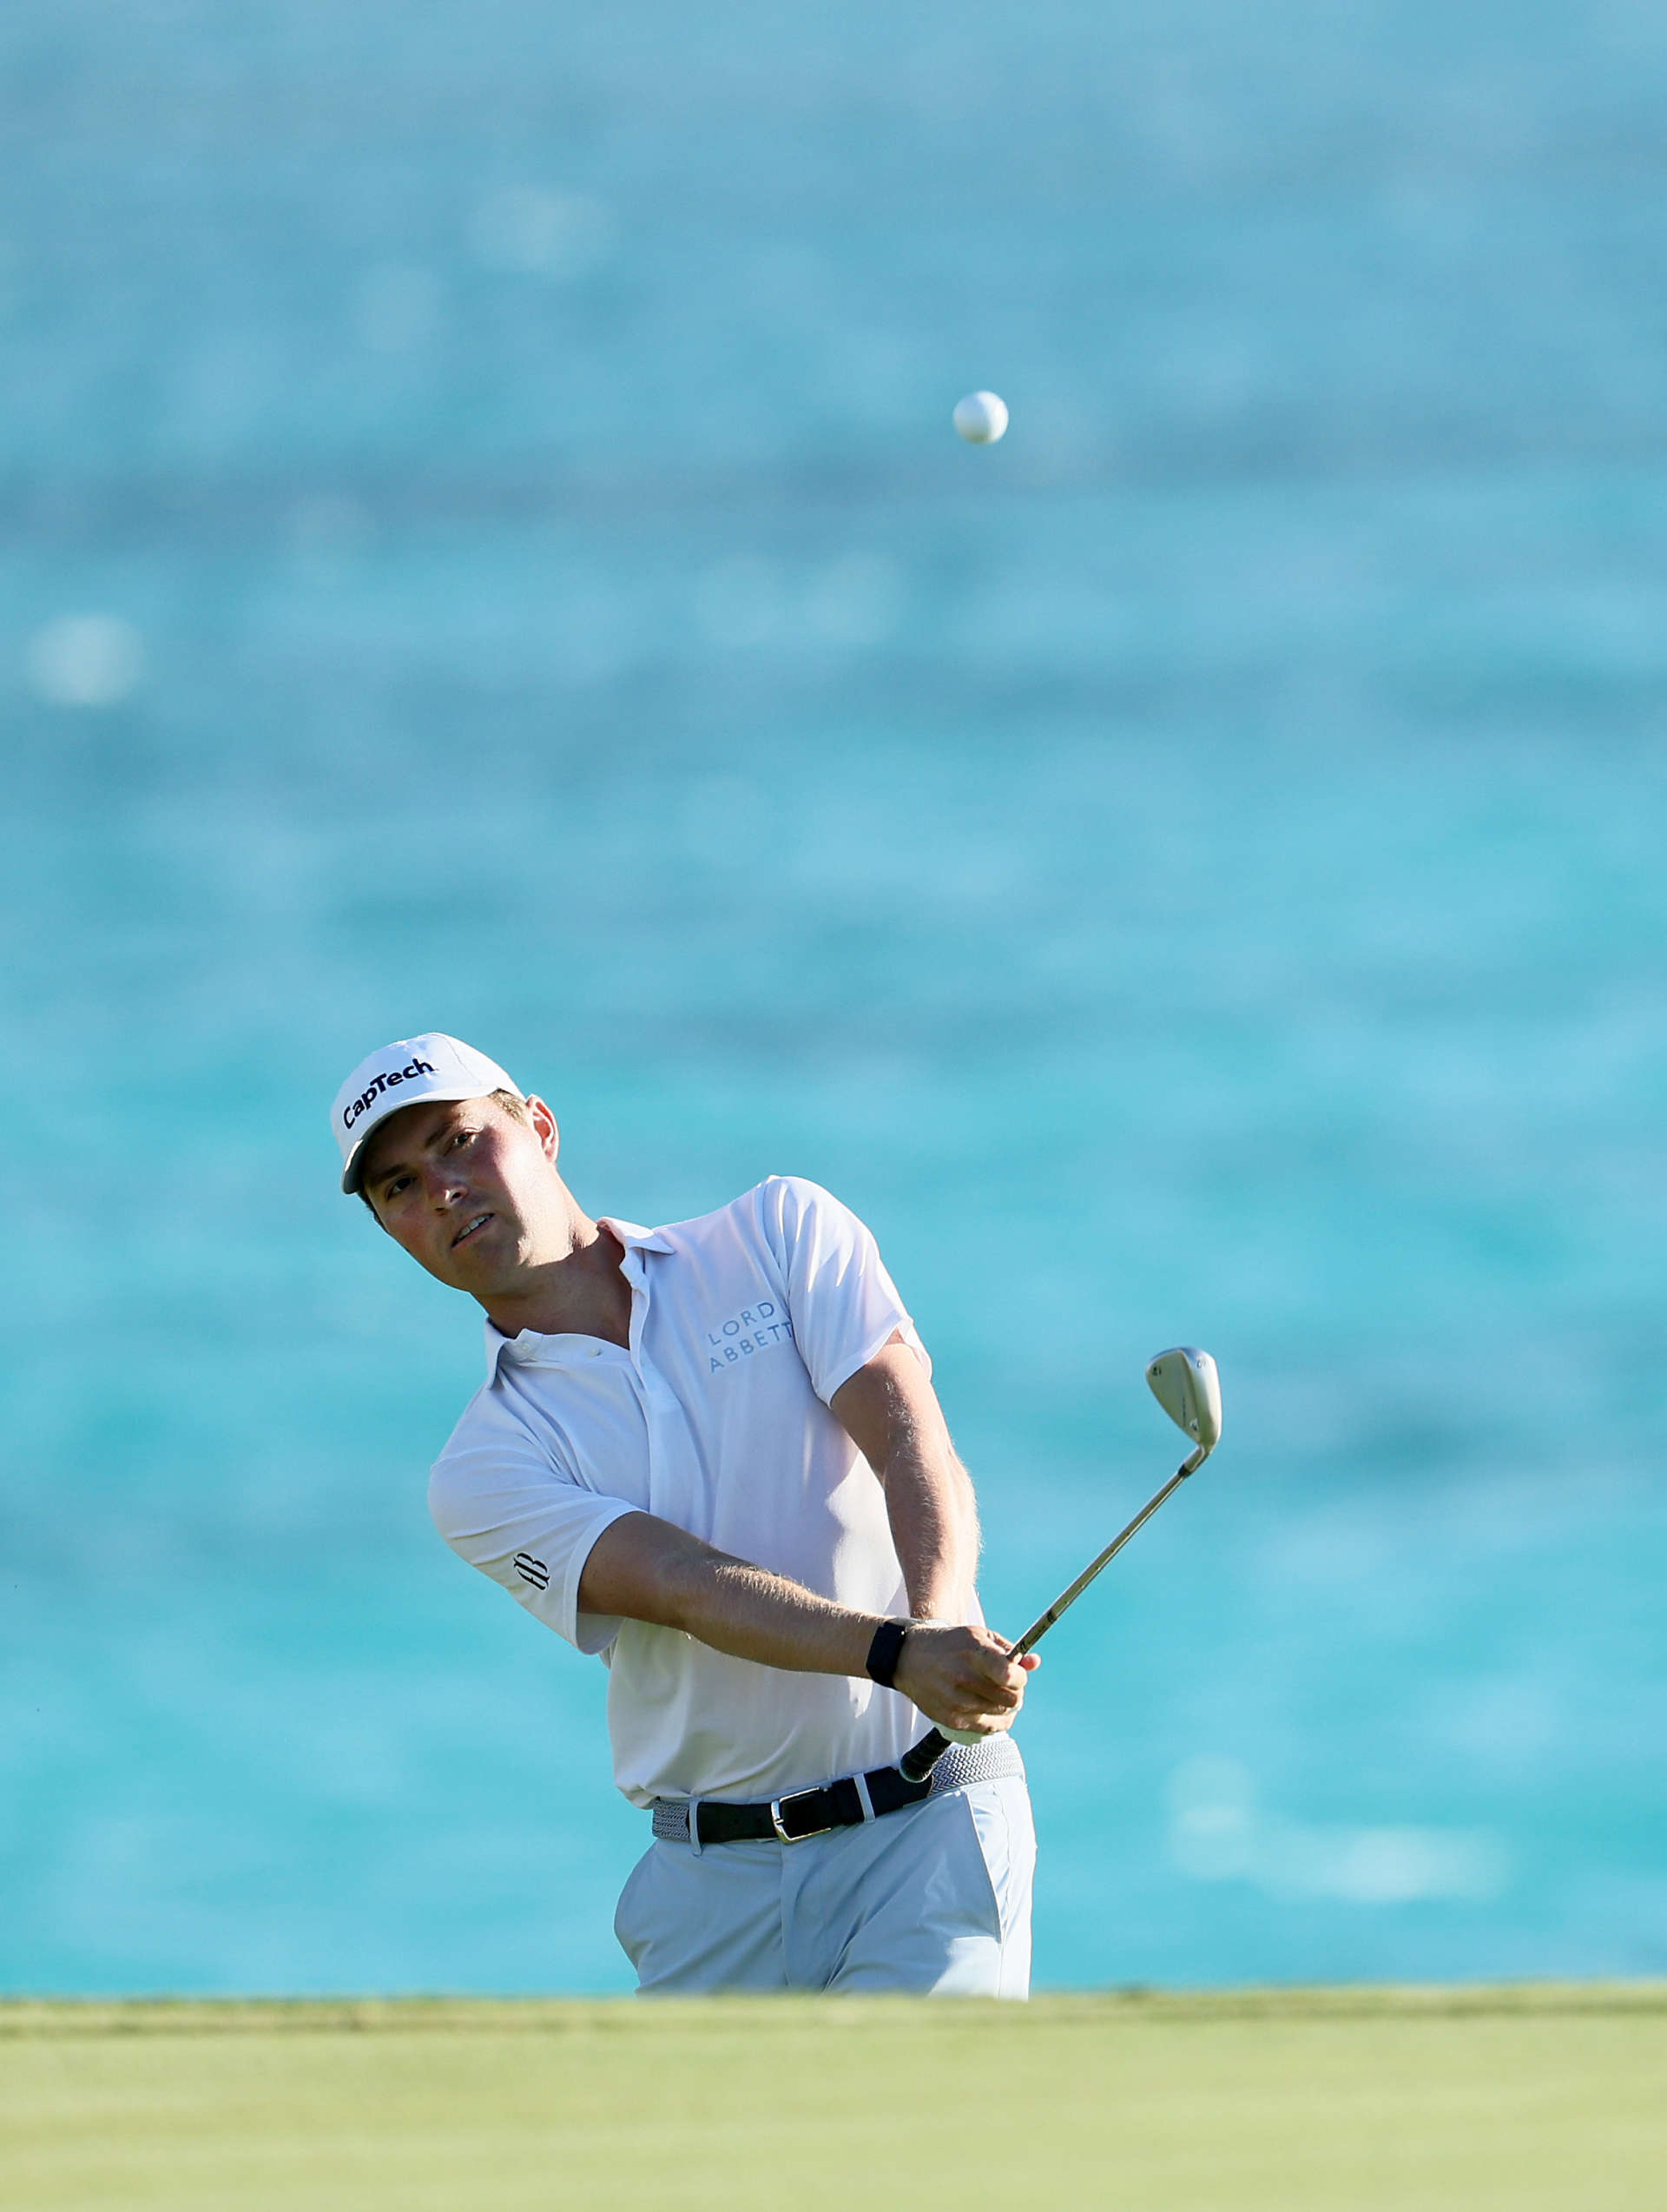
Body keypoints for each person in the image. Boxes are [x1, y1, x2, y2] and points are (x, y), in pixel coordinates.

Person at [333, 1032, 1037, 1996]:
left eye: (458, 1140)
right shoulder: (483, 1466)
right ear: (390, 1230)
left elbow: (908, 1435)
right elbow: (682, 1583)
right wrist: (900, 1653)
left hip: (931, 1830)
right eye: (400, 1187)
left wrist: (941, 1627)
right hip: (712, 1882)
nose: (443, 1189)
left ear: (539, 1126)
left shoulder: (776, 1233)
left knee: (924, 2094)